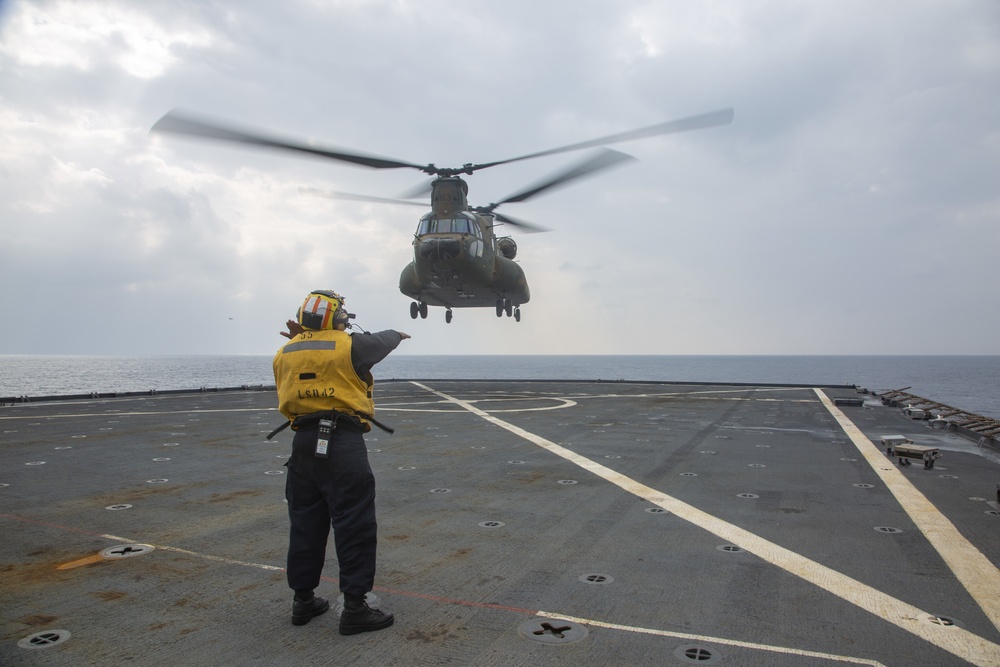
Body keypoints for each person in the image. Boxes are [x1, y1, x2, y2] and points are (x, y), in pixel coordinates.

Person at [272, 289, 410, 635]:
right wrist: (398, 333)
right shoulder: (351, 346)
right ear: (337, 318)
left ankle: (303, 601)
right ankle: (354, 608)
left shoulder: (284, 352)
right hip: (341, 443)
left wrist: (303, 337)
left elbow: (307, 367)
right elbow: (385, 339)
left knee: (305, 522)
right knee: (354, 524)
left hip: (302, 444)